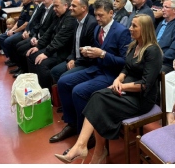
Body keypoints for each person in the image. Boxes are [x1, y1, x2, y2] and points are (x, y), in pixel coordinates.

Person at [54, 14, 163, 164]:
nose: (130, 28)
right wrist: (118, 79)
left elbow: (145, 85)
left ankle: (90, 149)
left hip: (141, 98)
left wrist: (122, 85)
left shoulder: (153, 51)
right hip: (126, 89)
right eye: (131, 25)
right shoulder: (134, 45)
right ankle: (87, 147)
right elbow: (126, 68)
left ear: (144, 29)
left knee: (99, 101)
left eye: (134, 26)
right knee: (97, 97)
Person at [51, 0, 132, 144]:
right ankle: (72, 124)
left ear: (111, 13)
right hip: (96, 68)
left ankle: (87, 137)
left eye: (101, 15)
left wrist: (102, 54)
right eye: (96, 15)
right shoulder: (97, 29)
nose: (97, 18)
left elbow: (124, 62)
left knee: (78, 91)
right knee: (63, 82)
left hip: (111, 74)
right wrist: (88, 52)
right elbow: (97, 52)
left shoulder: (122, 32)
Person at [43, 0, 98, 89]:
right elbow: (75, 45)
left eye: (74, 6)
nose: (70, 8)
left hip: (86, 63)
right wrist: (71, 58)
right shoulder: (77, 21)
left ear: (83, 8)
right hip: (75, 59)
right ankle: (60, 98)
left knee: (64, 77)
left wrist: (76, 62)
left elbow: (91, 52)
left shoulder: (91, 24)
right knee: (55, 71)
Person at [23, 0, 76, 79]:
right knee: (31, 55)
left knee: (41, 63)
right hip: (55, 49)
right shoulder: (58, 16)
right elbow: (49, 32)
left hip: (63, 52)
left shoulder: (70, 18)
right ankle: (34, 83)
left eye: (56, 6)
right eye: (54, 6)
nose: (54, 9)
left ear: (65, 5)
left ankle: (46, 89)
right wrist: (38, 46)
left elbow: (60, 39)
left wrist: (46, 53)